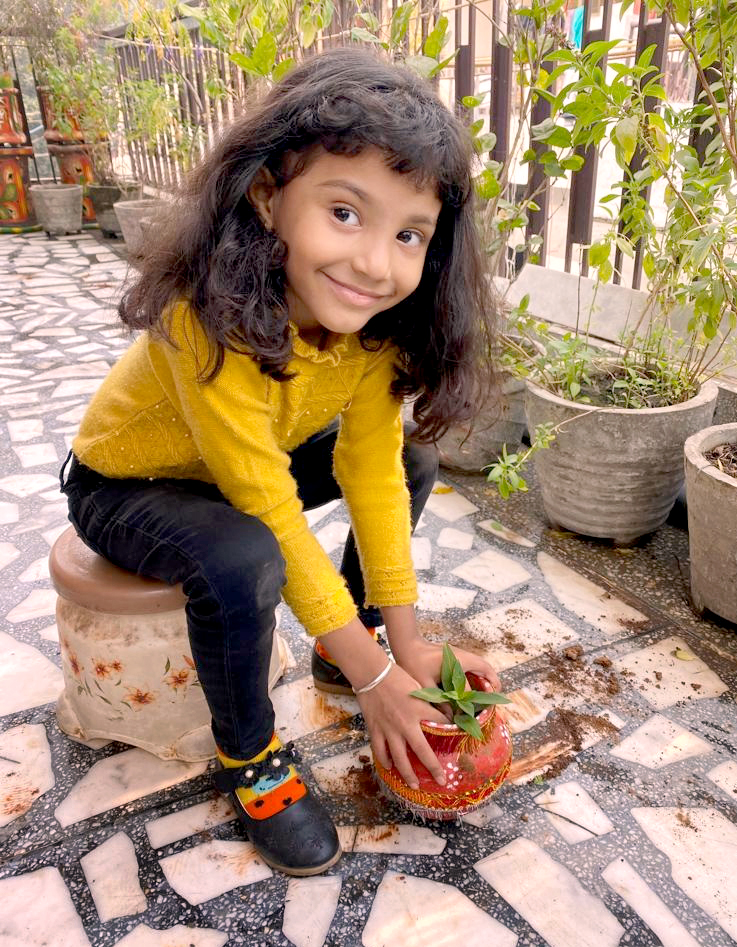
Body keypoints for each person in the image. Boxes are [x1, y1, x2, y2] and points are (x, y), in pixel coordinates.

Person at [59, 47, 501, 876]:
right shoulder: (206, 316)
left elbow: (367, 469)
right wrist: (379, 688)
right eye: (345, 212)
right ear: (268, 195)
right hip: (126, 482)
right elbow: (263, 499)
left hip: (240, 470)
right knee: (242, 554)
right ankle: (252, 755)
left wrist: (400, 648)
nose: (376, 261)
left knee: (409, 460)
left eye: (409, 232)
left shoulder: (370, 328)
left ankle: (346, 644)